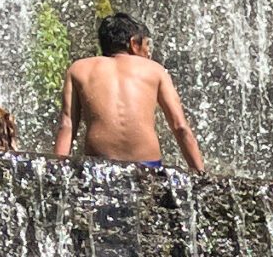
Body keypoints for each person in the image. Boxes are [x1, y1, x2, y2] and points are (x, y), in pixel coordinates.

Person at [55, 13, 204, 173]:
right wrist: (201, 174)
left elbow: (67, 126)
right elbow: (180, 127)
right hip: (148, 168)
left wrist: (55, 170)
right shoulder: (155, 70)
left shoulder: (79, 69)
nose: (149, 52)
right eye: (147, 44)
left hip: (99, 170)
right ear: (134, 43)